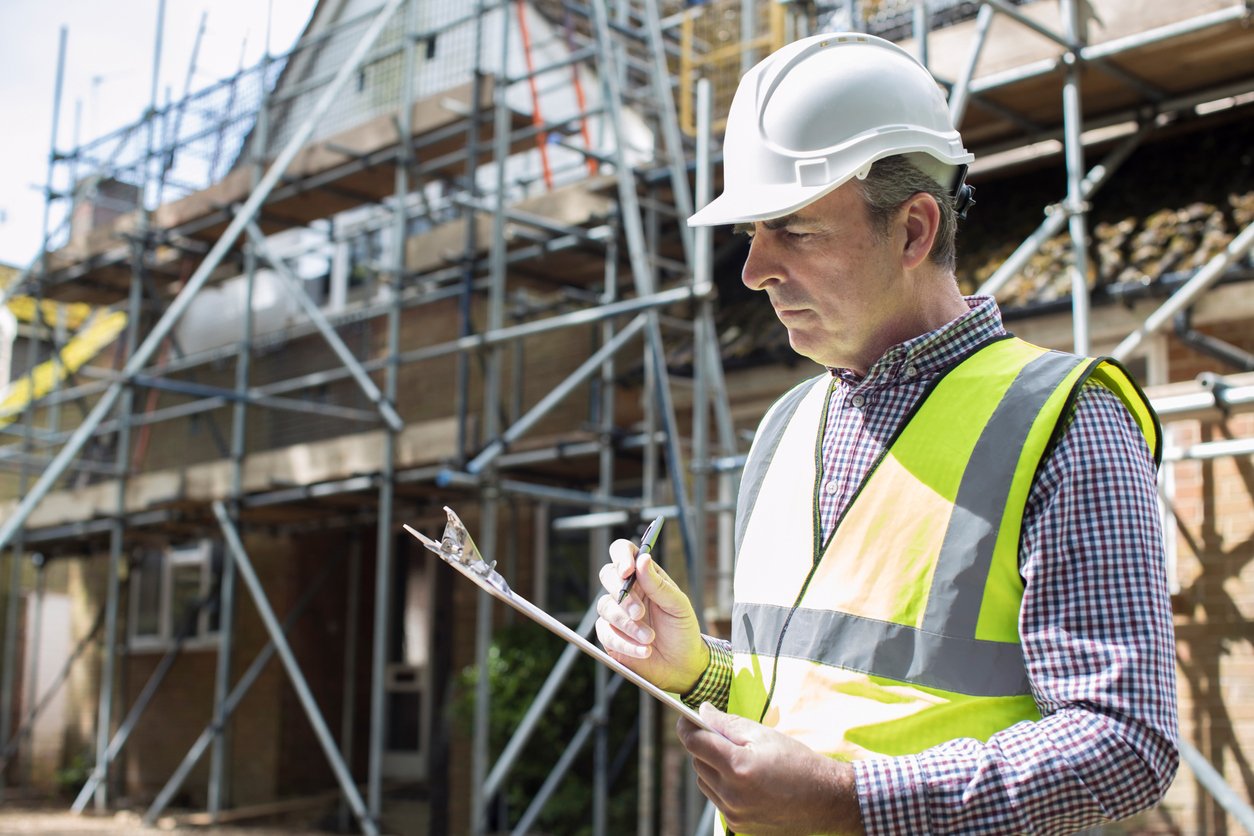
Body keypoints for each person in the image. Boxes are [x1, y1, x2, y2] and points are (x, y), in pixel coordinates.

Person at [595, 32, 1178, 835]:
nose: (752, 270)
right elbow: (819, 697)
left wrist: (851, 801)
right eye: (750, 234)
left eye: (792, 230)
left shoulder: (1065, 422)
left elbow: (1125, 743)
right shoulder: (786, 426)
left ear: (912, 230)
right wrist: (697, 667)